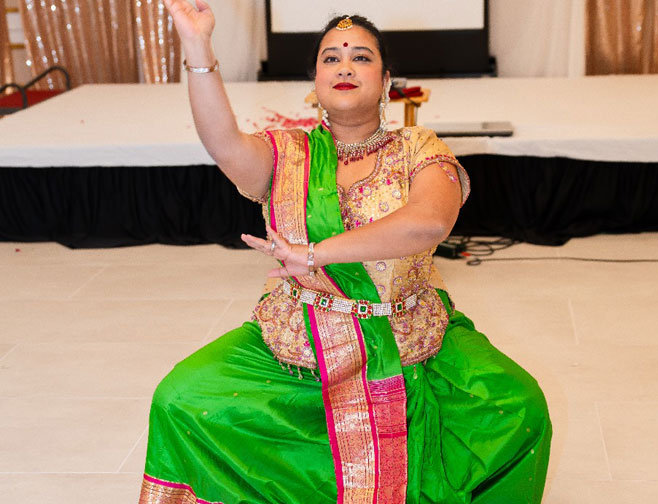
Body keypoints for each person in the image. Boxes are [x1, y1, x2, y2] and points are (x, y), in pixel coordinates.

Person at [139, 1, 552, 503]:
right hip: (302, 338)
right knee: (180, 398)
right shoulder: (285, 153)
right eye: (331, 58)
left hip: (406, 332)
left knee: (521, 405)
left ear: (386, 80)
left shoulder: (418, 147)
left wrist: (314, 254)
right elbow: (223, 142)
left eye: (361, 57)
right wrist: (197, 44)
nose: (345, 67)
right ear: (315, 81)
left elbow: (429, 222)